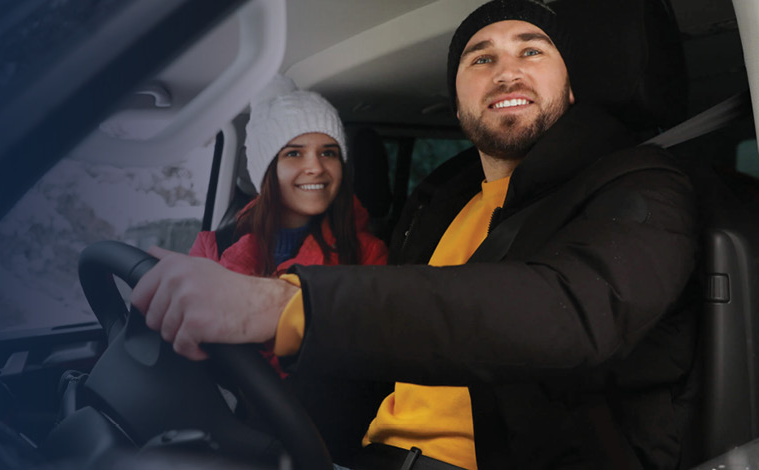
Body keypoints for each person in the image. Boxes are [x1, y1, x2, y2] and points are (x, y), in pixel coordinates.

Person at [132, 1, 699, 469]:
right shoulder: (437, 204)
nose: (507, 71)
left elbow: (569, 308)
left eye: (532, 50)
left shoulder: (641, 187)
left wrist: (285, 305)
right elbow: (380, 357)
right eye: (481, 58)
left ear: (571, 90)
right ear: (458, 104)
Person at [188, 75, 388, 376]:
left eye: (328, 152)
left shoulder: (366, 254)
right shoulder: (214, 246)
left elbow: (362, 360)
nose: (316, 167)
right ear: (266, 168)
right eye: (294, 153)